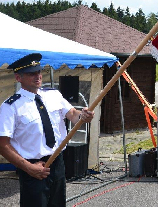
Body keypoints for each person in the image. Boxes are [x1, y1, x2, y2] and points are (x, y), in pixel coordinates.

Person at [0, 53, 94, 207]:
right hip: (32, 166)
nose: (37, 76)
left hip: (57, 161)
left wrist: (83, 115)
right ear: (18, 78)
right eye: (31, 73)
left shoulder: (53, 95)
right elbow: (3, 145)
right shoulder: (10, 106)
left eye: (38, 71)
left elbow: (72, 115)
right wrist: (29, 168)